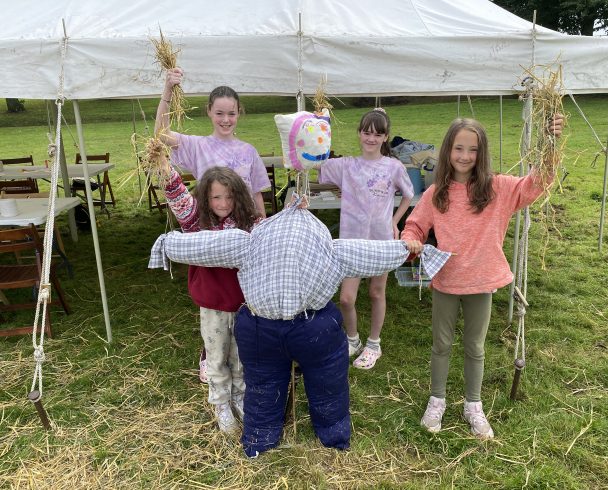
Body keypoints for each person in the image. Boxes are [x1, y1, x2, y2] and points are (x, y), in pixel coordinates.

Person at [149, 195, 451, 457]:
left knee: (265, 385)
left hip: (262, 328)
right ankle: (332, 435)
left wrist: (169, 243)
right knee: (326, 383)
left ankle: (260, 437)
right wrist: (410, 250)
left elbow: (206, 246)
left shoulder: (248, 242)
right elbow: (373, 252)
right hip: (311, 328)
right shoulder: (333, 249)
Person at [401, 116, 564, 439]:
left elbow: (538, 181)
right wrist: (411, 240)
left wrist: (551, 143)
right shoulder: (437, 193)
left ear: (481, 153)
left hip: (481, 282)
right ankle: (438, 399)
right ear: (448, 151)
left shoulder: (498, 189)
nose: (464, 156)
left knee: (475, 347)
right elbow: (415, 225)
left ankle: (473, 405)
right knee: (441, 344)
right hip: (446, 282)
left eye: (472, 150)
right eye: (458, 148)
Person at [155, 67, 271, 382]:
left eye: (231, 113)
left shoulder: (248, 151)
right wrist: (168, 91)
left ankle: (243, 350)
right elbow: (160, 135)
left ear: (239, 114)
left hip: (243, 230)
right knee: (214, 296)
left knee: (243, 294)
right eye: (219, 113)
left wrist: (262, 228)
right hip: (210, 233)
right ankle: (210, 352)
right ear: (209, 112)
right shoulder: (198, 146)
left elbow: (257, 194)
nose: (225, 119)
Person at [163, 163, 260, 434]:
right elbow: (175, 192)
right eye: (216, 197)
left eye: (229, 197)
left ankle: (239, 396)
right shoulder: (196, 222)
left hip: (243, 304)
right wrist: (161, 162)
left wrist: (294, 210)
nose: (223, 203)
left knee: (240, 356)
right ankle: (220, 403)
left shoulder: (248, 223)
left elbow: (272, 233)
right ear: (205, 198)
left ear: (238, 197)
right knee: (216, 355)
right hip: (212, 304)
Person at [318, 108, 415, 370]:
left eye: (378, 133)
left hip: (380, 241)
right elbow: (316, 162)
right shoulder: (347, 165)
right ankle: (352, 339)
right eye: (367, 132)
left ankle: (374, 343)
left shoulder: (393, 167)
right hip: (351, 242)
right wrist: (320, 125)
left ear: (386, 137)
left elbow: (409, 194)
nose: (371, 138)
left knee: (376, 292)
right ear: (359, 134)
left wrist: (395, 222)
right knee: (347, 298)